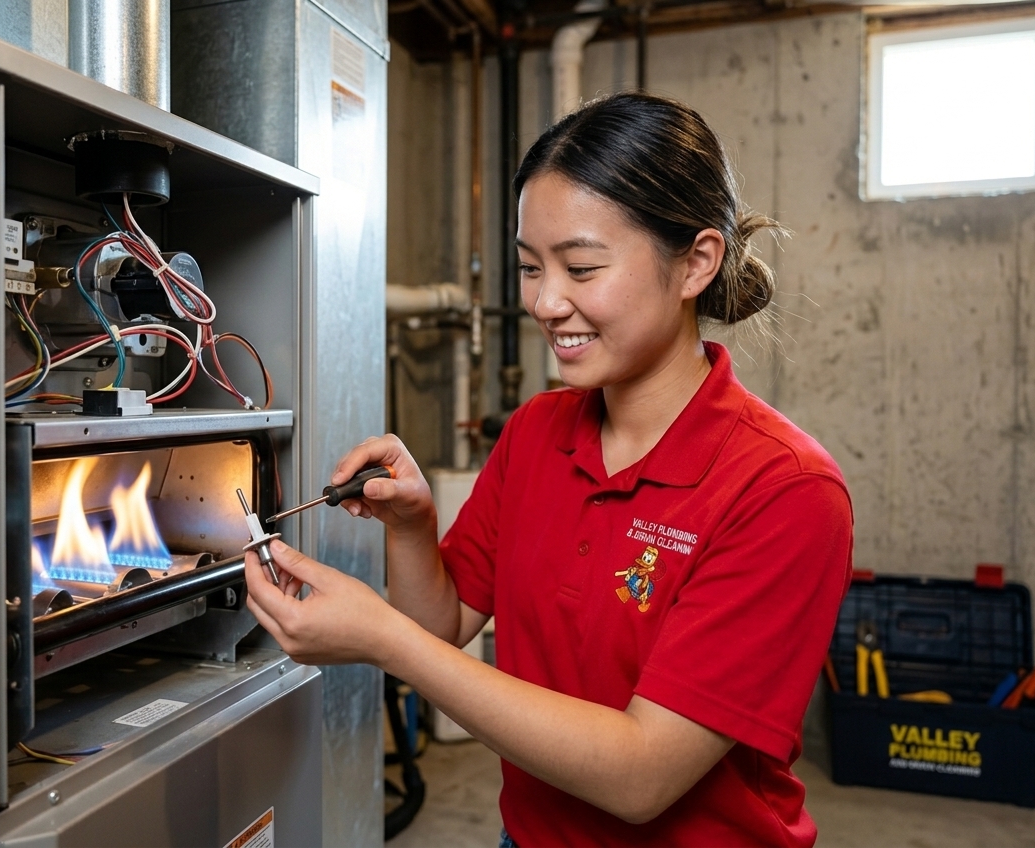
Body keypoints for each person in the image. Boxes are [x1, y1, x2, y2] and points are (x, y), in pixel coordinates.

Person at [243, 92, 853, 847]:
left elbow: (641, 777)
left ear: (697, 261)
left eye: (583, 267)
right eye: (531, 267)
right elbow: (442, 628)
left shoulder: (784, 490)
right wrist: (413, 525)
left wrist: (379, 640)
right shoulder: (537, 433)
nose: (546, 301)